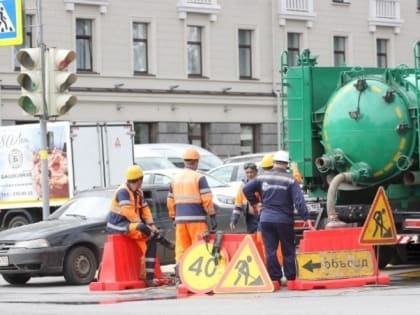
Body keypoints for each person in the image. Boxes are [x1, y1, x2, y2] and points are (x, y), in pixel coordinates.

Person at [243, 150, 314, 284]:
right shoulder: (290, 179)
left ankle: (275, 278)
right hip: (284, 220)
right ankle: (290, 278)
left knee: (270, 250)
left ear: (274, 162)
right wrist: (306, 217)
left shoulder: (262, 177)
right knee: (288, 249)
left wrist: (255, 204)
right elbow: (299, 201)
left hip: (266, 220)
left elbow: (246, 189)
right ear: (286, 164)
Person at [106, 165, 174, 287]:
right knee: (145, 230)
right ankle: (164, 241)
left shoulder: (139, 192)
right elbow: (127, 212)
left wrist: (151, 225)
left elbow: (145, 209)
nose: (141, 183)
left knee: (152, 238)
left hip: (132, 225)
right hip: (117, 225)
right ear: (139, 180)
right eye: (141, 180)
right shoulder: (123, 191)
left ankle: (149, 278)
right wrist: (141, 224)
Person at [167, 148, 217, 272]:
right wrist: (212, 215)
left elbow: (170, 201)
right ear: (196, 162)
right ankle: (198, 274)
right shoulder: (199, 178)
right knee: (199, 246)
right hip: (197, 220)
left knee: (182, 248)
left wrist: (173, 216)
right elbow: (207, 198)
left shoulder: (175, 179)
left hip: (180, 221)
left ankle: (181, 272)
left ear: (185, 162)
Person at [229, 162, 259, 233]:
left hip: (261, 217)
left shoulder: (260, 183)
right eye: (247, 172)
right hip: (250, 218)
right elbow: (238, 205)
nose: (249, 174)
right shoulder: (242, 186)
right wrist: (234, 219)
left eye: (251, 172)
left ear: (256, 172)